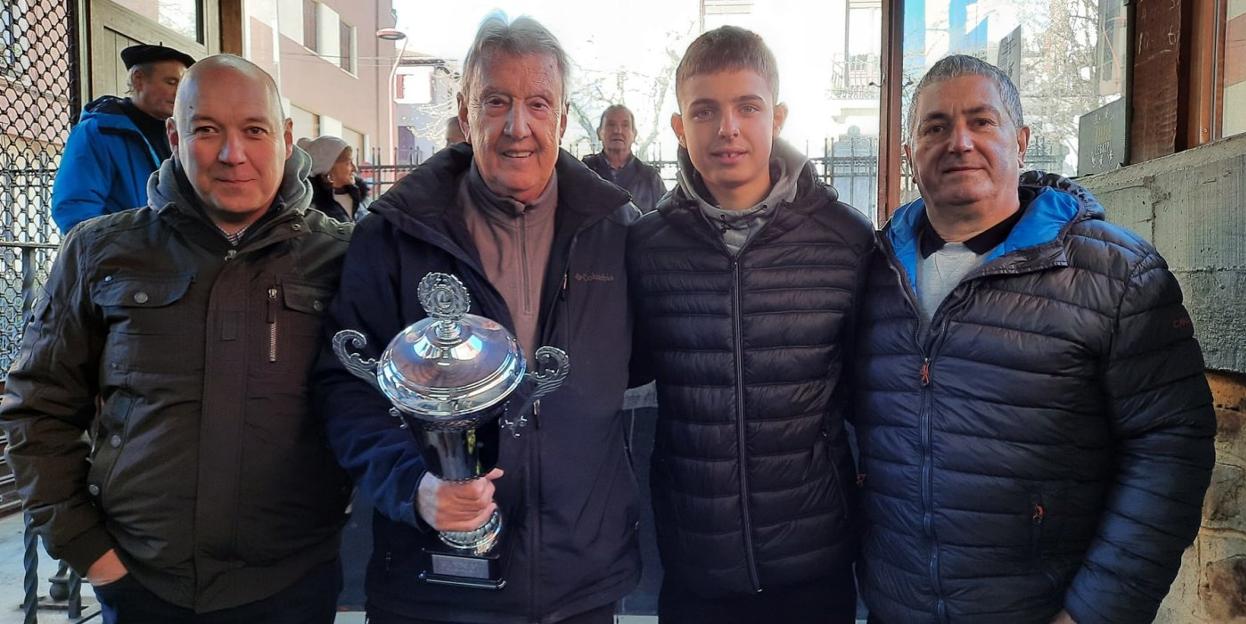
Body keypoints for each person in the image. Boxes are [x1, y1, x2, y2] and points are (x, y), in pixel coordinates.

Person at [853, 54, 1216, 624]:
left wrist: (1096, 611)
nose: (959, 142)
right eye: (935, 127)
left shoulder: (1117, 274)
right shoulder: (871, 272)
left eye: (981, 121)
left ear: (1020, 141)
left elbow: (1170, 448)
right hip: (896, 607)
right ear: (909, 154)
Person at [312, 13, 641, 624]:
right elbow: (344, 386)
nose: (518, 126)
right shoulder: (393, 236)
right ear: (465, 112)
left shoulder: (617, 232)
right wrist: (411, 485)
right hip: (435, 588)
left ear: (562, 118)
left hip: (577, 582)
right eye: (496, 101)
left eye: (538, 103)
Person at [1, 55, 353, 624]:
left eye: (254, 130)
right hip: (142, 583)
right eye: (206, 129)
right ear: (174, 137)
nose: (232, 153)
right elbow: (37, 409)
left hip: (293, 580)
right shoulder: (99, 250)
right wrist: (89, 552)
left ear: (287, 138)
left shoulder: (342, 257)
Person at [627, 26, 873, 624]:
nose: (727, 128)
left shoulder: (844, 240)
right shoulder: (647, 247)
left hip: (813, 563)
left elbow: (870, 391)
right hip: (697, 563)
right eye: (705, 111)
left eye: (748, 107)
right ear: (679, 127)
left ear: (777, 117)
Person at [51, 43, 194, 233]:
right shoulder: (98, 131)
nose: (179, 92)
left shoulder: (179, 134)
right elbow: (75, 207)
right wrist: (116, 248)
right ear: (138, 80)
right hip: (125, 249)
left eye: (182, 85)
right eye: (171, 82)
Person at [582, 104, 666, 213]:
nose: (617, 130)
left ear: (634, 134)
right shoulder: (585, 171)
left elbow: (664, 218)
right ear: (599, 133)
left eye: (625, 125)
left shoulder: (649, 177)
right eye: (611, 124)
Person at [300, 135, 371, 222]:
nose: (355, 168)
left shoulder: (360, 197)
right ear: (328, 168)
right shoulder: (312, 208)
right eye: (348, 163)